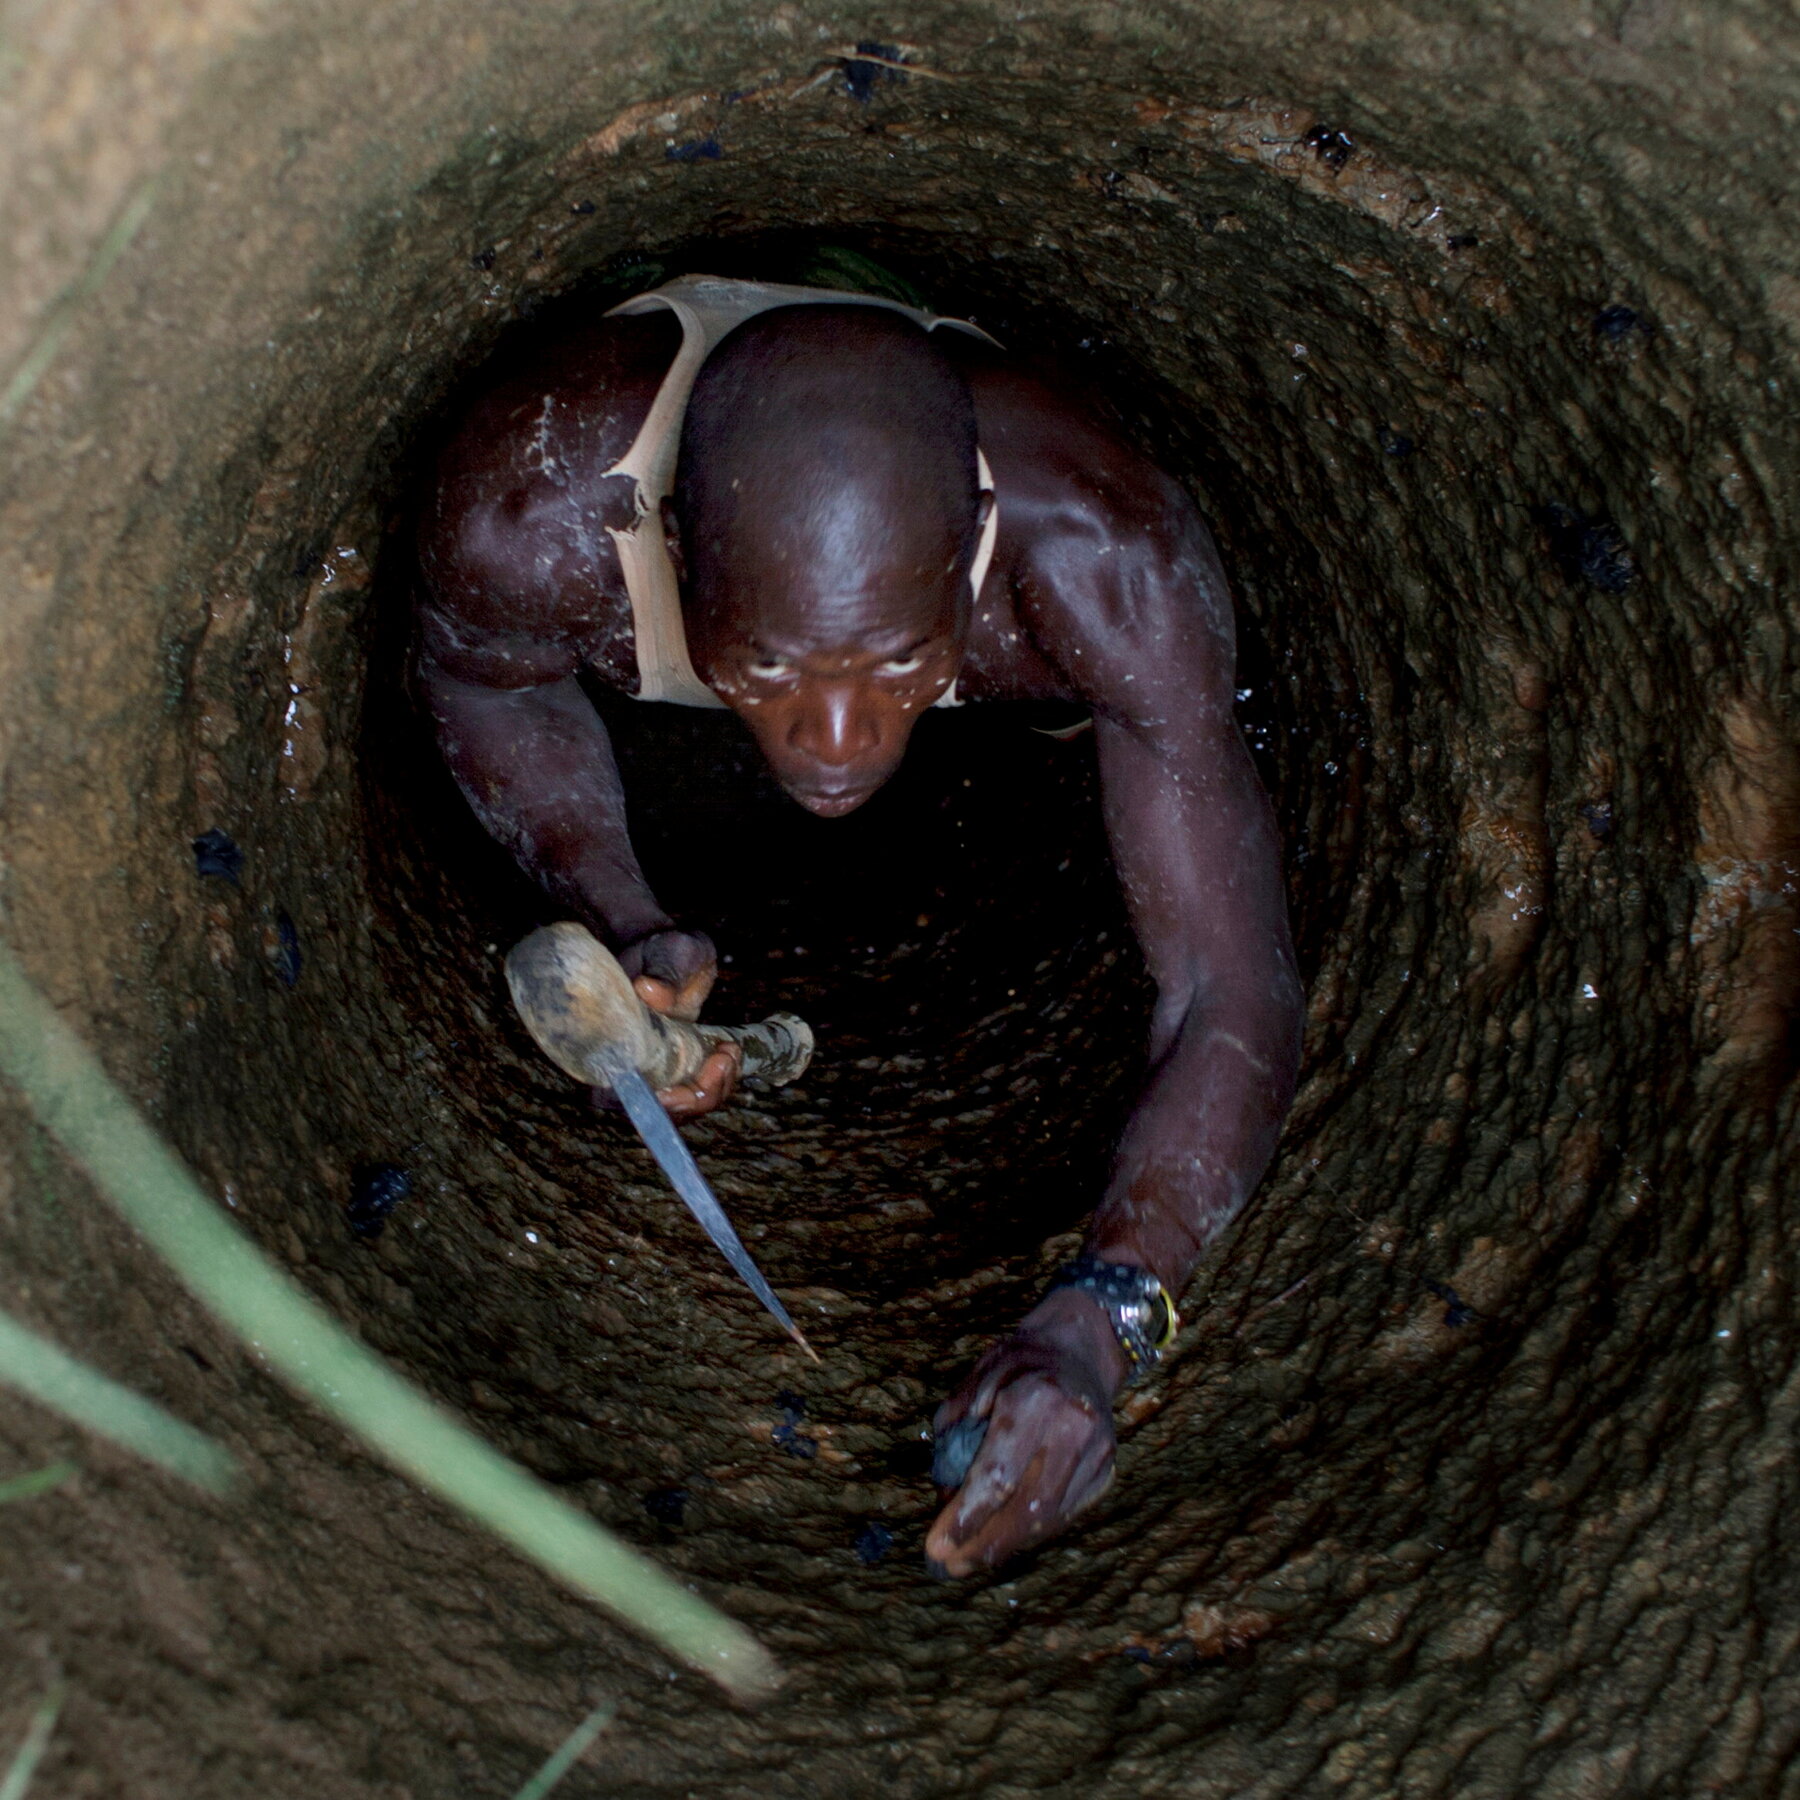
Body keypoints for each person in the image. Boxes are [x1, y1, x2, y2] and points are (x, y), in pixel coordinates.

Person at [415, 271, 1303, 1576]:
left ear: (969, 540)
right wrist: (617, 908)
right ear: (668, 537)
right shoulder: (534, 507)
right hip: (672, 536)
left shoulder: (1103, 559)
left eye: (895, 668)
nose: (837, 748)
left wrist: (1104, 1315)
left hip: (1032, 641)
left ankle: (963, 671)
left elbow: (1232, 987)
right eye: (768, 674)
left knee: (1111, 693)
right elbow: (482, 680)